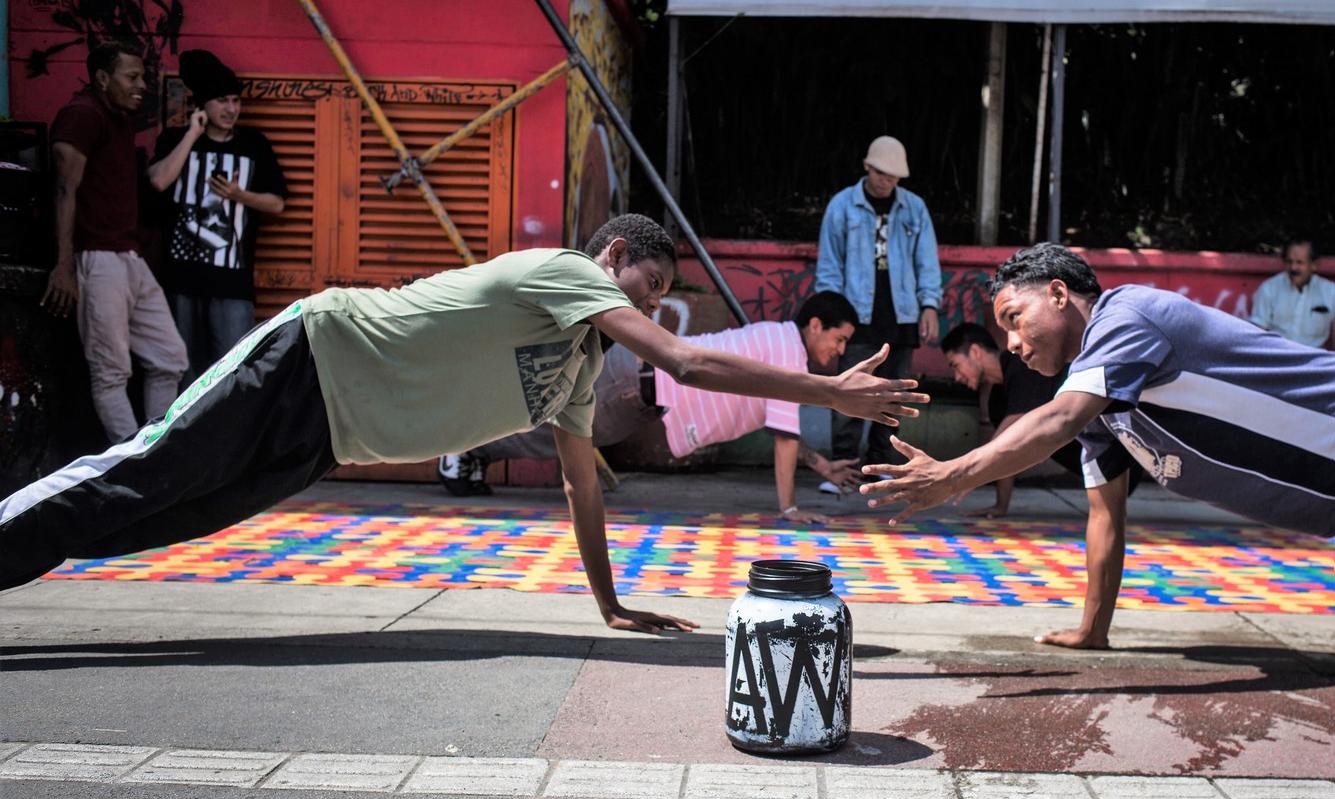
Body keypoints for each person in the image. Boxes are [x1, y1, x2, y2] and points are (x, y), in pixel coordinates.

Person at [0, 215, 928, 634]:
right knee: (137, 475)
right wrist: (831, 394)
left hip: (321, 442)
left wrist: (607, 605)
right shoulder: (566, 271)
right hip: (307, 359)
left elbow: (579, 483)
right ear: (614, 260)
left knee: (161, 521)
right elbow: (685, 362)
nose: (643, 314)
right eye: (645, 290)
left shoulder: (578, 365)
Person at [862, 243, 1335, 649]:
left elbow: (1055, 418)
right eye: (1004, 336)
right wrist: (1092, 631)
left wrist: (953, 475)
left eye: (1014, 318)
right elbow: (1104, 519)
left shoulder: (1127, 319)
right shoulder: (1106, 409)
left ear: (1059, 292)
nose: (1015, 344)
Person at [440, 292, 866, 523]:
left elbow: (776, 425)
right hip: (635, 381)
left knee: (561, 433)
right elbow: (785, 437)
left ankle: (477, 450)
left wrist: (822, 466)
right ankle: (465, 446)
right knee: (557, 427)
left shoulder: (780, 342)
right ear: (815, 325)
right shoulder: (787, 352)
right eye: (839, 339)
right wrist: (788, 509)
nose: (839, 350)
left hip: (640, 391)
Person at [42, 39, 188, 442]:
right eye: (132, 77)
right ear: (103, 78)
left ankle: (155, 452)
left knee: (169, 358)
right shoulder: (82, 116)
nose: (141, 85)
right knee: (110, 373)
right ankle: (133, 464)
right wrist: (64, 264)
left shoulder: (118, 119)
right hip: (98, 260)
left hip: (129, 257)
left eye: (143, 76)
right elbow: (64, 191)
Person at [148, 49, 287, 379]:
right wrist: (192, 135)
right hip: (180, 279)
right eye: (222, 100)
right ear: (203, 105)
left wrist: (240, 196)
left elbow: (277, 203)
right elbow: (157, 180)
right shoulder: (175, 139)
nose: (231, 109)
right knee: (182, 369)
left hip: (232, 282)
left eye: (235, 101)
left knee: (233, 370)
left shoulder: (253, 145)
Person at [815, 135, 942, 487]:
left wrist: (929, 305)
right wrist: (832, 317)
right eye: (882, 173)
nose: (888, 180)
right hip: (855, 318)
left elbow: (927, 261)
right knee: (848, 392)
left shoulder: (914, 208)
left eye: (894, 176)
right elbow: (829, 266)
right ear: (867, 167)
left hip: (902, 316)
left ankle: (881, 465)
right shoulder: (842, 206)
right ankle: (843, 468)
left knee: (895, 394)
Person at [940, 322, 1079, 518]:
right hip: (1094, 465)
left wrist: (965, 473)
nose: (956, 377)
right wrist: (1000, 506)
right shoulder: (997, 401)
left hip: (1115, 450)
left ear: (975, 351)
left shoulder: (1022, 363)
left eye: (956, 365)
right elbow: (1008, 450)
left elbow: (1008, 433)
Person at [1249, 238, 1335, 349]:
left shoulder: (1329, 291)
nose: (1293, 268)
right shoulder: (1269, 288)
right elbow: (1257, 330)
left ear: (1313, 265)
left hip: (1313, 363)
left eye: (1299, 263)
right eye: (1289, 262)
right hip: (1278, 359)